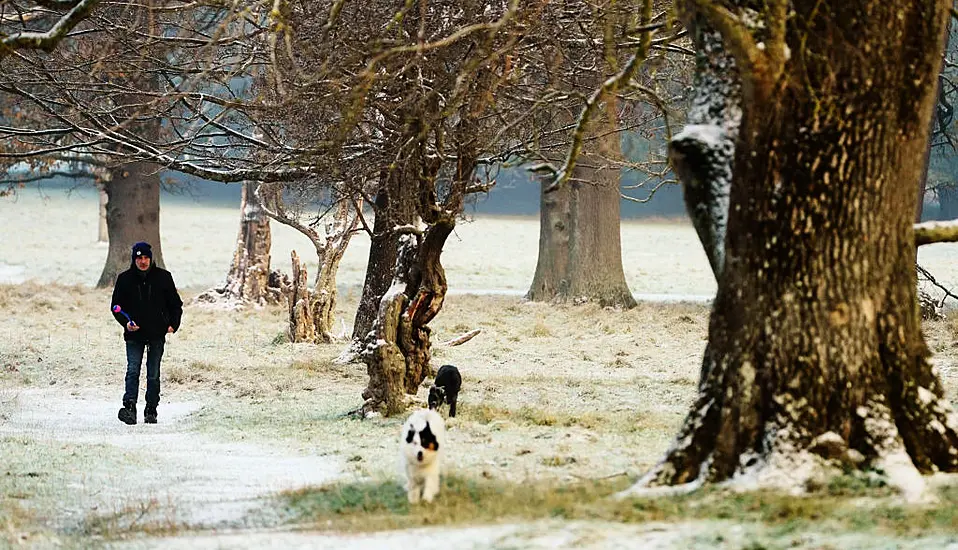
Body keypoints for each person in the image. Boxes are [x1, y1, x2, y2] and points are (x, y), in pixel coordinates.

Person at [110, 241, 182, 425]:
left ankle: (151, 409)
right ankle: (130, 407)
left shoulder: (164, 277)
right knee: (132, 370)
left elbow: (176, 304)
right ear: (134, 259)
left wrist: (173, 324)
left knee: (153, 373)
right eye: (139, 258)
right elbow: (116, 307)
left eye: (146, 258)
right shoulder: (124, 279)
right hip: (134, 335)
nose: (143, 261)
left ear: (151, 259)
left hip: (157, 334)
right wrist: (126, 323)